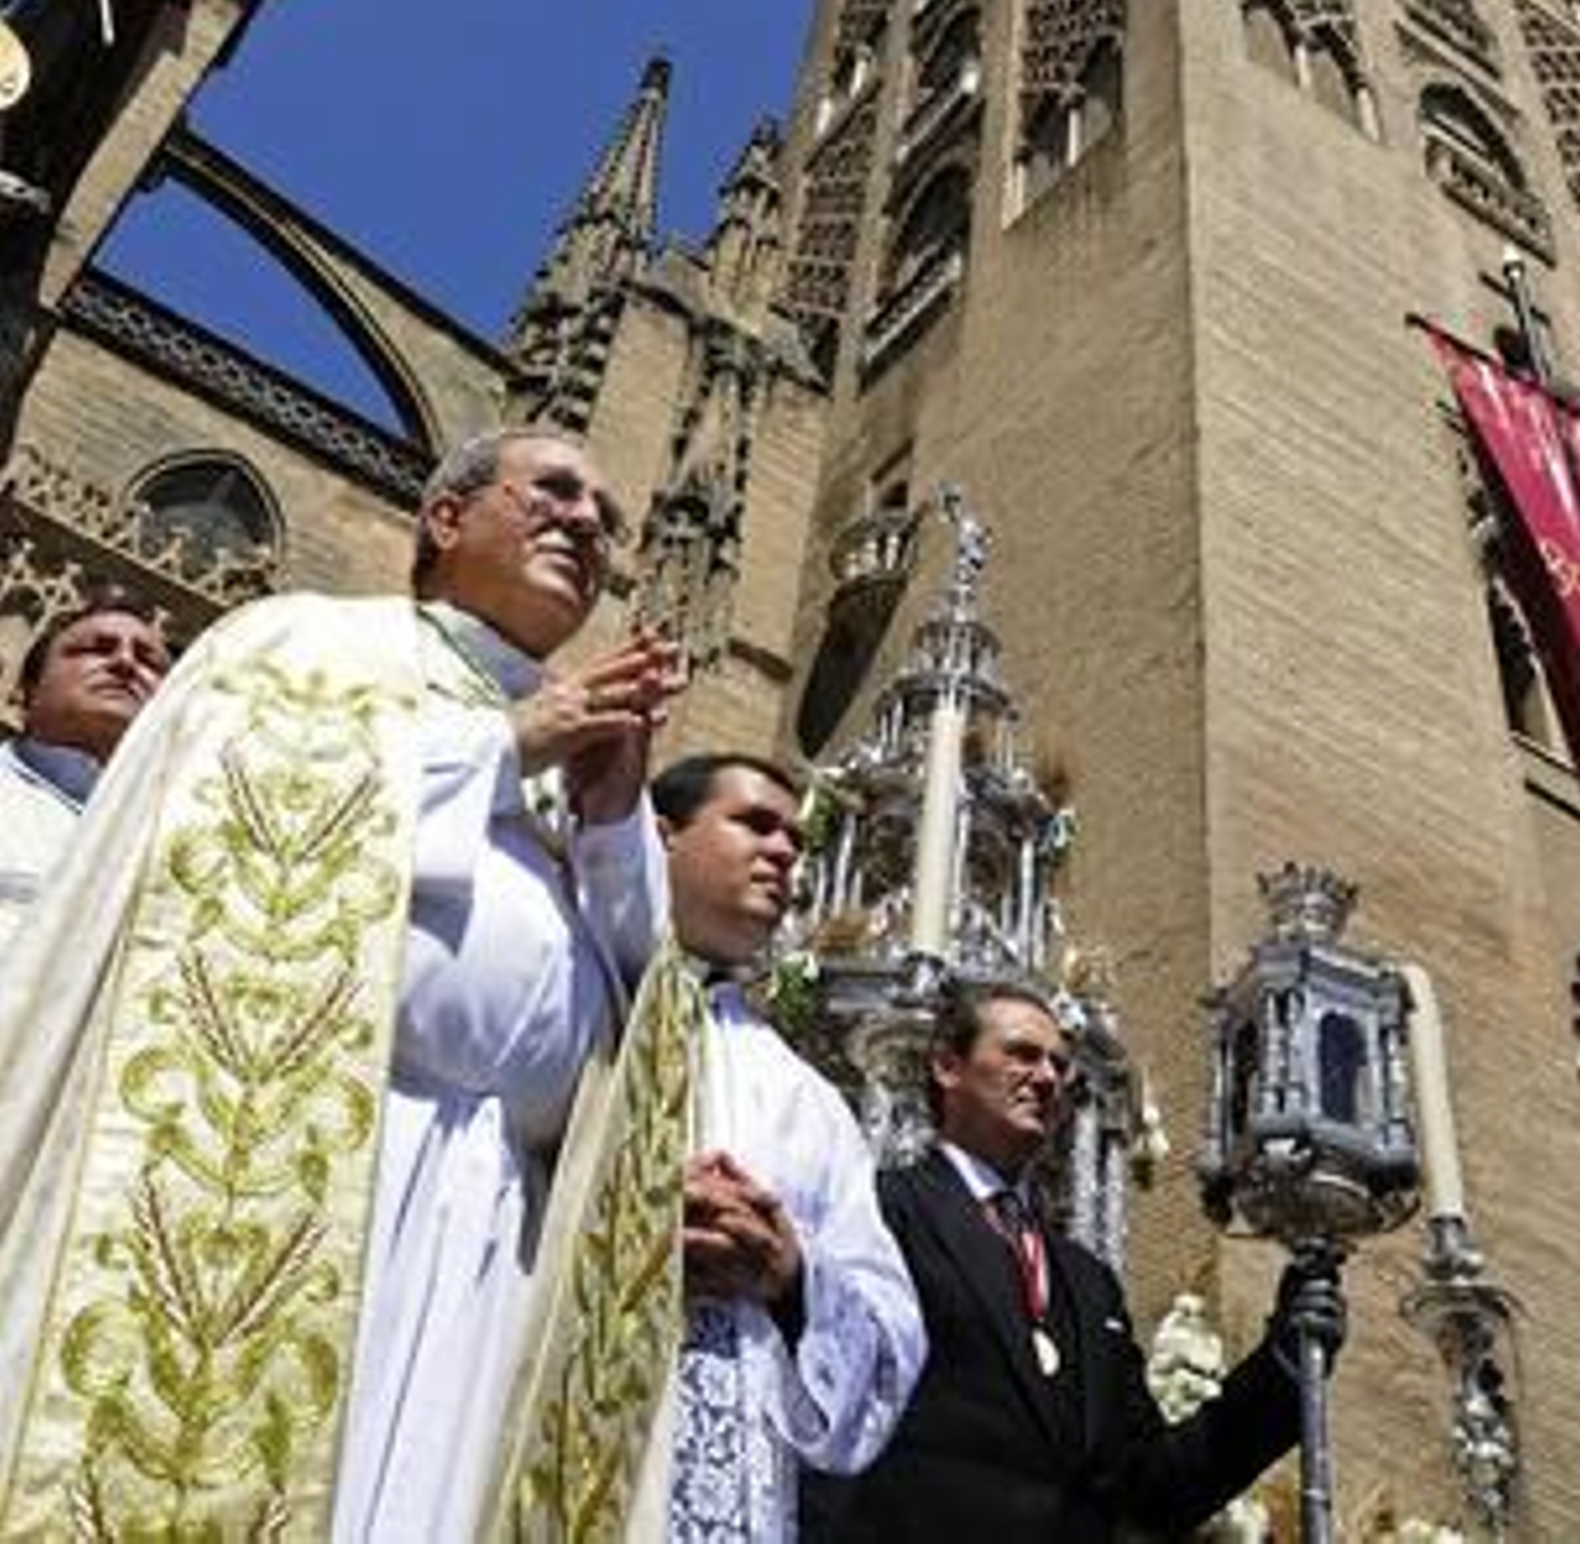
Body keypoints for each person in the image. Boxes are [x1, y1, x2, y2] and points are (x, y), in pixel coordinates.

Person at [0, 428, 685, 1542]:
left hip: (502, 1227)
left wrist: (611, 823)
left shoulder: (597, 742)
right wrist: (505, 745)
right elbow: (231, 819)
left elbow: (645, 1009)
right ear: (445, 517)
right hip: (313, 1161)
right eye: (555, 491)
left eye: (608, 518)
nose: (588, 524)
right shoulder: (305, 641)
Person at [805, 981, 1344, 1543]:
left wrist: (1284, 1366)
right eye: (1021, 1053)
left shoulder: (1088, 1284)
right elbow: (819, 1413)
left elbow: (1153, 1492)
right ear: (947, 1065)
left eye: (1059, 1065)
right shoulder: (882, 1213)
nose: (1046, 1077)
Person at [635, 753, 926, 1540]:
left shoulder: (805, 1096)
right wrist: (635, 1213)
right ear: (661, 835)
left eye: (796, 840)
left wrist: (792, 1275)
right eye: (754, 823)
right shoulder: (570, 984)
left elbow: (892, 1327)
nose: (784, 851)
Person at [0, 585, 169, 949]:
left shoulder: (183, 842)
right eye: (96, 649)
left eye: (149, 662)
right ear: (23, 690)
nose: (125, 663)